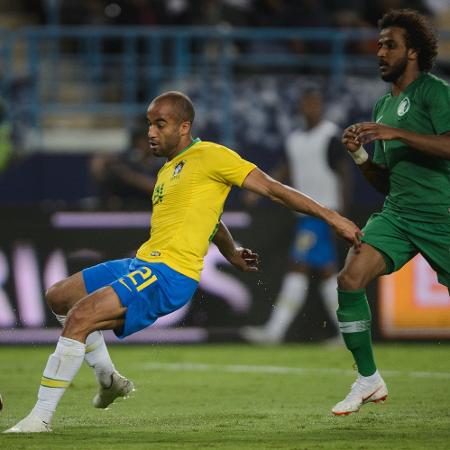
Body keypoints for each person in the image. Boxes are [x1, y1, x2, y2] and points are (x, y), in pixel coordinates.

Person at [4, 91, 361, 433]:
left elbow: (273, 188)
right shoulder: (168, 169)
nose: (150, 133)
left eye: (160, 124)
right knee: (59, 296)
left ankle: (40, 417)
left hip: (168, 274)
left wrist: (333, 217)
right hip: (143, 263)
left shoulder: (213, 156)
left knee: (82, 317)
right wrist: (230, 250)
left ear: (184, 127)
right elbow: (210, 218)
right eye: (149, 124)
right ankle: (109, 380)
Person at [331, 9, 450, 416]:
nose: (379, 51)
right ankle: (368, 379)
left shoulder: (436, 93)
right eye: (379, 44)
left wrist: (397, 132)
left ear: (412, 52)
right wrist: (361, 154)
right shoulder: (383, 104)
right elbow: (385, 181)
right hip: (398, 215)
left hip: (443, 215)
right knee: (350, 278)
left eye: (389, 45)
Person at [242, 88, 351, 344]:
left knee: (298, 266)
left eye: (315, 103)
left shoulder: (330, 136)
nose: (311, 108)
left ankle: (275, 332)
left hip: (324, 213)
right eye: (306, 104)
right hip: (305, 215)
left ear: (321, 106)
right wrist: (257, 190)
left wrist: (341, 215)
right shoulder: (295, 140)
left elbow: (345, 173)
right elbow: (284, 169)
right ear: (301, 108)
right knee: (324, 272)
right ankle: (346, 334)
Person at [90, 127, 161, 209]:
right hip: (124, 208)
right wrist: (99, 163)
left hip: (150, 208)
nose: (144, 144)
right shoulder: (128, 159)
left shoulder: (163, 162)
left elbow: (155, 187)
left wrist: (127, 175)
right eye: (140, 141)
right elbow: (100, 164)